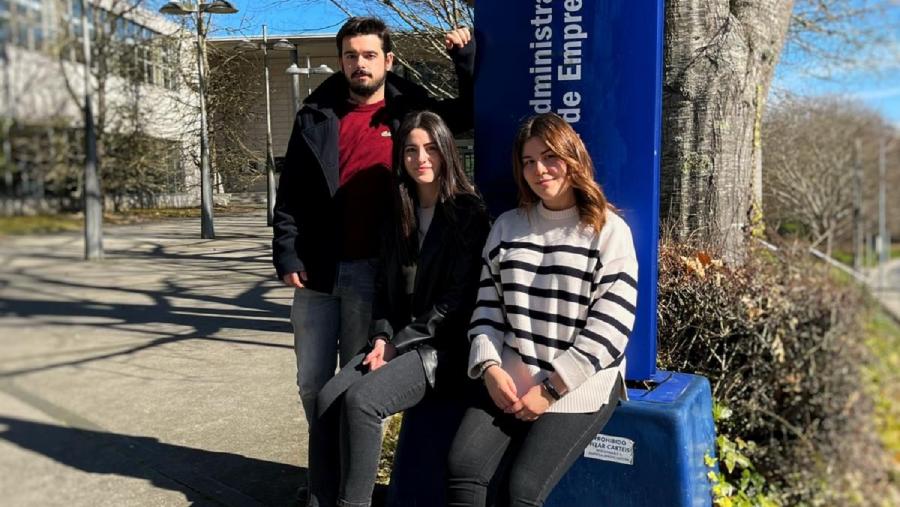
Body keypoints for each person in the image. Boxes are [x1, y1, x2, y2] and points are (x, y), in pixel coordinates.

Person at [271, 17, 475, 430]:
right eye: (350, 56)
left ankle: (348, 475)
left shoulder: (410, 109)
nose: (359, 64)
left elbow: (464, 118)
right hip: (317, 271)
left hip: (375, 271)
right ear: (342, 60)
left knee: (359, 385)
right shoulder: (314, 114)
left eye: (368, 55)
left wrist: (464, 59)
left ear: (388, 59)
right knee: (311, 384)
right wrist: (287, 252)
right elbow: (292, 189)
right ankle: (324, 473)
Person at [446, 113, 639, 507]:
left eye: (549, 157)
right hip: (511, 377)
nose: (539, 170)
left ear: (573, 158)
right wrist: (489, 368)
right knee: (463, 467)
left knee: (522, 491)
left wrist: (551, 389)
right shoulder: (507, 227)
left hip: (579, 385)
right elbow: (487, 306)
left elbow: (612, 325)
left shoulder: (607, 230)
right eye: (528, 161)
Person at [307, 111, 491, 507]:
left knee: (363, 402)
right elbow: (383, 289)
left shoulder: (468, 214)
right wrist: (380, 335)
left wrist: (398, 344)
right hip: (398, 339)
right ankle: (319, 499)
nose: (421, 158)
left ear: (445, 152)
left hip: (443, 348)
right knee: (327, 398)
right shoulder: (397, 213)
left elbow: (455, 303)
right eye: (411, 150)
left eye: (430, 149)